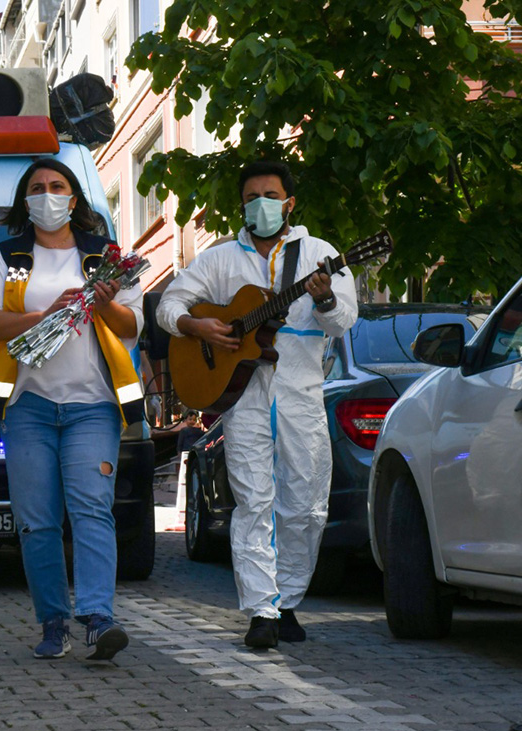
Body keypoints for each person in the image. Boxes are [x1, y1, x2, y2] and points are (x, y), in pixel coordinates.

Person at [156, 160, 358, 650]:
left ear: (289, 202)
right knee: (253, 503)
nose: (259, 205)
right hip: (243, 396)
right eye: (251, 198)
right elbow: (168, 306)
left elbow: (345, 320)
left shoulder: (321, 254)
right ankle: (262, 611)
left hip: (300, 394)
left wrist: (327, 299)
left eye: (269, 195)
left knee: (307, 508)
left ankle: (288, 598)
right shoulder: (220, 259)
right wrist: (198, 327)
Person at [0, 158, 143, 662]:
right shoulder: (9, 256)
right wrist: (42, 314)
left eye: (58, 186)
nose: (48, 195)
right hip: (28, 407)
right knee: (37, 521)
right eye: (38, 188)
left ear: (74, 199)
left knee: (92, 507)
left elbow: (131, 326)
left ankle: (97, 617)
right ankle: (52, 621)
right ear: (26, 201)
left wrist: (104, 302)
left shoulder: (103, 256)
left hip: (93, 406)